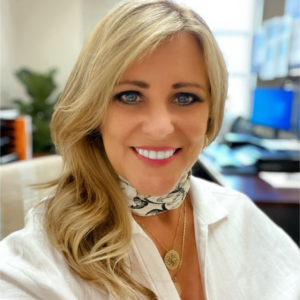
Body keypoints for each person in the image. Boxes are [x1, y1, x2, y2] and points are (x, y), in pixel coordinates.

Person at [1, 0, 299, 299]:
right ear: (94, 110)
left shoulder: (241, 216)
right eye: (130, 95)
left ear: (210, 111)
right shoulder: (37, 260)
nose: (160, 128)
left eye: (184, 98)